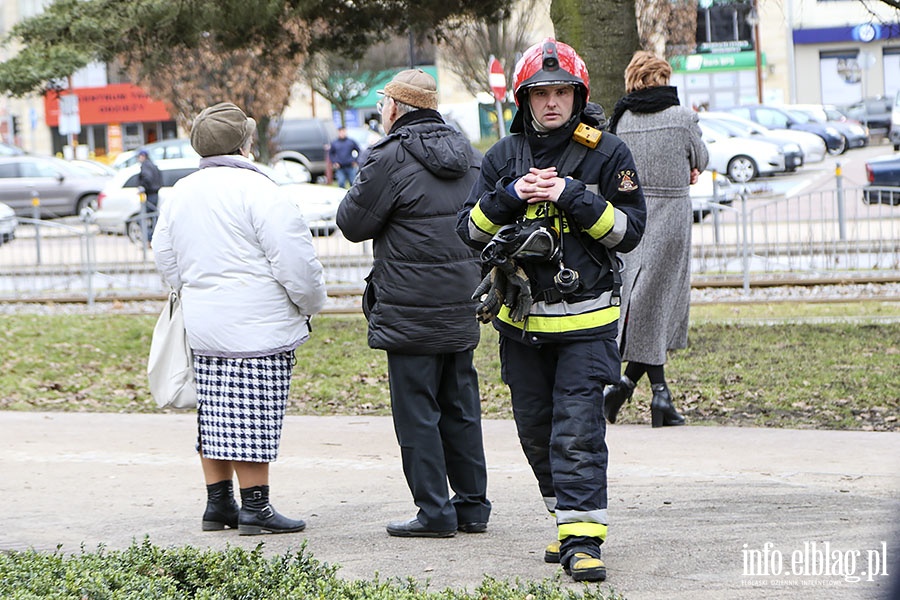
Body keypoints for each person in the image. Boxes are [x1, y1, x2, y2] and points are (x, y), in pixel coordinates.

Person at [457, 39, 646, 582]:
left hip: (587, 326)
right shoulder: (502, 157)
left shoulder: (607, 153)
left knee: (578, 431)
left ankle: (583, 541)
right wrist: (509, 196)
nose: (551, 102)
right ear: (524, 100)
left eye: (561, 91)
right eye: (540, 93)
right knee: (535, 432)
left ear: (578, 94)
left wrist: (571, 195)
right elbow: (469, 232)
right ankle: (566, 519)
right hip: (521, 328)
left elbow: (630, 233)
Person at [152, 102, 328, 536]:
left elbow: (165, 258)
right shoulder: (261, 190)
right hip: (259, 324)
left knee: (213, 413)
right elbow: (295, 262)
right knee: (252, 414)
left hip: (204, 323)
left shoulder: (180, 193)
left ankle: (218, 505)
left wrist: (195, 291)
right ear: (244, 143)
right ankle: (256, 509)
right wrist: (310, 302)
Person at [336, 69, 491, 538]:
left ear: (395, 108)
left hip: (408, 306)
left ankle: (435, 513)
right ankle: (472, 508)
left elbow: (352, 223)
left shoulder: (388, 158)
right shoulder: (470, 156)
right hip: (462, 300)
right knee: (461, 405)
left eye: (384, 104)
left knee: (417, 412)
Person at [603, 50, 709, 428]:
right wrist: (688, 167)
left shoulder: (621, 121)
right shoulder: (681, 118)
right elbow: (702, 157)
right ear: (662, 79)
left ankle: (627, 384)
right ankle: (656, 394)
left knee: (643, 301)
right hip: (672, 217)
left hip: (633, 215)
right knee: (658, 304)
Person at [136, 149, 162, 242]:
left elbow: (147, 177)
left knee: (142, 218)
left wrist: (143, 187)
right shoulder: (153, 165)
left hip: (150, 194)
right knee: (153, 218)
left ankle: (149, 238)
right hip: (155, 194)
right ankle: (152, 238)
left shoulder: (145, 166)